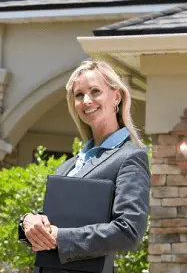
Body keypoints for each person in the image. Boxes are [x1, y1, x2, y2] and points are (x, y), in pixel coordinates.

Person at [18, 60, 150, 273]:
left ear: (116, 96)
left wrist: (61, 238)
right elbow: (55, 219)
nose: (86, 101)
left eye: (95, 91)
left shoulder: (130, 157)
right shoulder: (69, 165)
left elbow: (129, 231)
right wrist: (29, 221)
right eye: (79, 95)